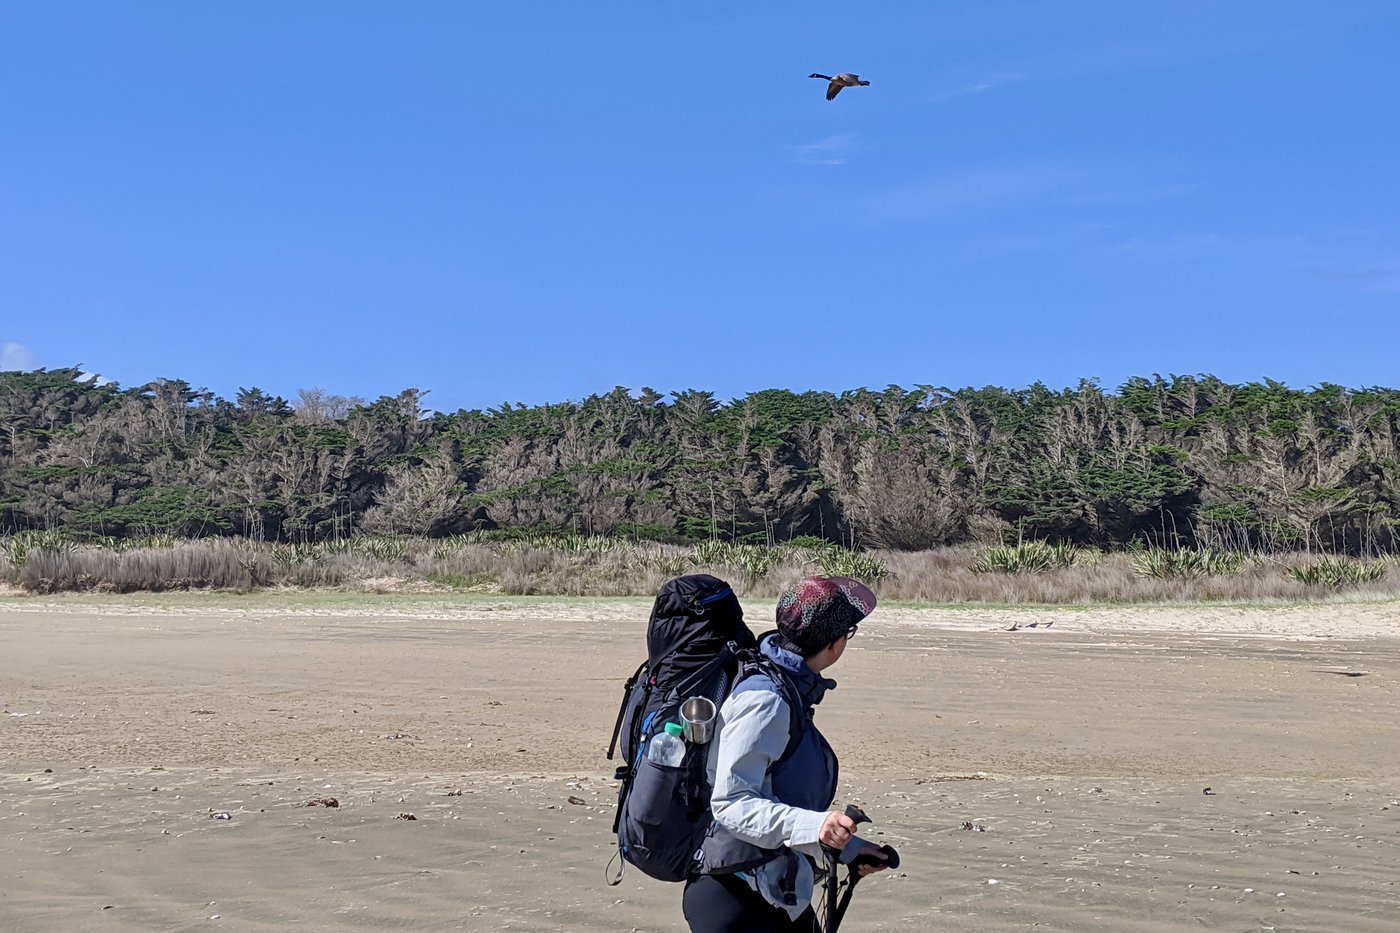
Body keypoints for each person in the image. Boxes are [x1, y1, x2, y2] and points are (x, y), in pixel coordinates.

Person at [684, 576, 889, 932]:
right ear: (835, 644)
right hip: (734, 895)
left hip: (770, 890)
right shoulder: (766, 698)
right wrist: (819, 826)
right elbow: (732, 803)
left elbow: (776, 796)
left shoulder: (787, 686)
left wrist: (851, 848)